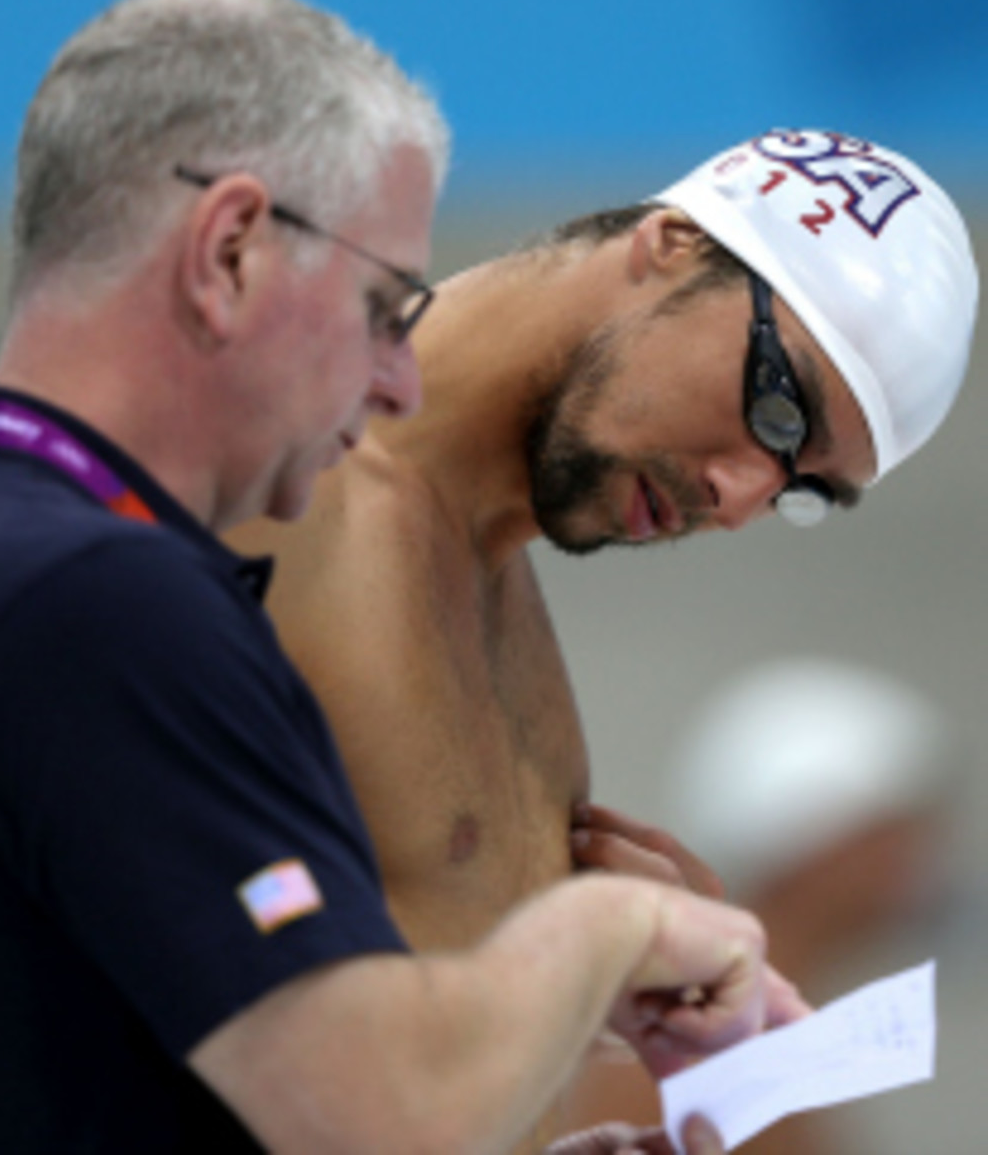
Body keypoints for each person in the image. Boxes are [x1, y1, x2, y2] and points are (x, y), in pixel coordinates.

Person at [0, 0, 784, 1154]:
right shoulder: (82, 598)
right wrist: (606, 932)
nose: (399, 377)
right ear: (233, 253)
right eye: (380, 305)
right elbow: (366, 1111)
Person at [229, 128, 980, 1131]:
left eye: (806, 489)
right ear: (672, 242)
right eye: (781, 409)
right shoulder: (270, 483)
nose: (746, 496)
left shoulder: (515, 646)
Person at [573, 657, 964, 1151]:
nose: (928, 857)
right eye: (900, 831)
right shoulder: (717, 1043)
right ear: (817, 842)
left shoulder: (744, 1031)